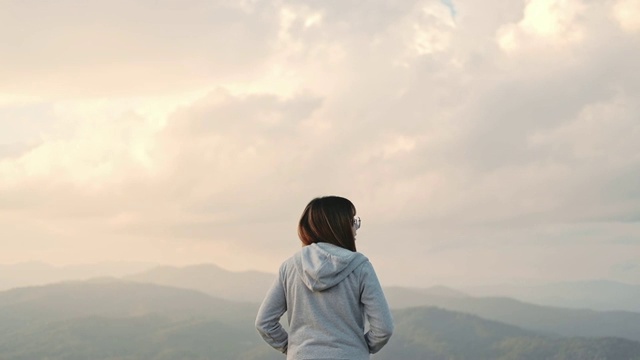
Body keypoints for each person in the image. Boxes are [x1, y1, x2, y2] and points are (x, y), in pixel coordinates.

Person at [255, 196, 394, 360]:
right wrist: (358, 349)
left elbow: (264, 323)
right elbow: (384, 328)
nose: (356, 229)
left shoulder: (290, 267)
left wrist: (294, 348)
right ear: (340, 225)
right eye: (353, 222)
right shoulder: (361, 267)